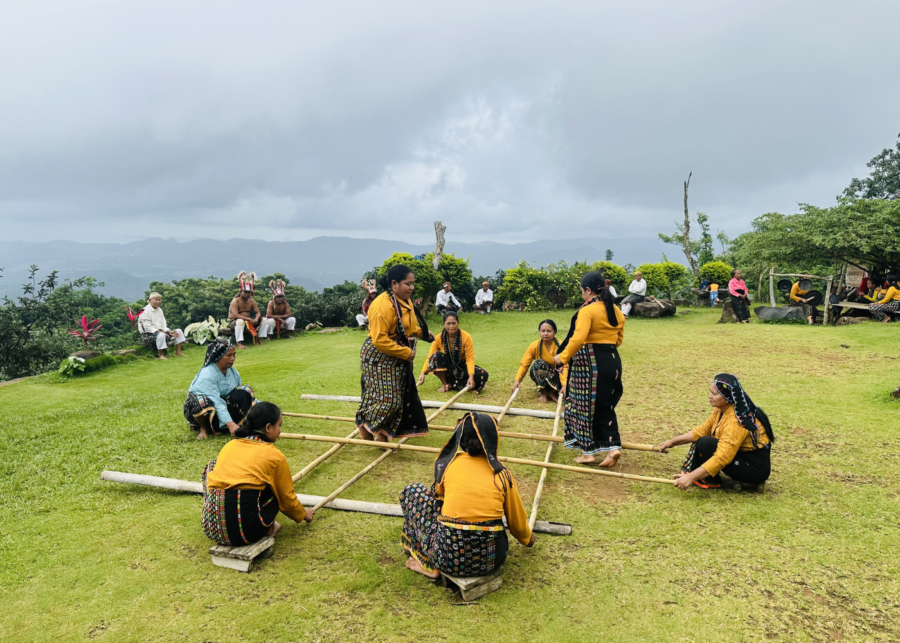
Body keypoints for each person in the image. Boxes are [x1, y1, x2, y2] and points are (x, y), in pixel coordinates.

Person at [400, 412, 535, 579]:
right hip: (491, 561)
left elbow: (438, 504)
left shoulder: (448, 465)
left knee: (412, 492)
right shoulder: (501, 474)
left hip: (447, 559)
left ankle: (428, 563)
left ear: (461, 438)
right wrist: (528, 539)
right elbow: (517, 524)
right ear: (493, 439)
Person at [202, 402, 314, 546]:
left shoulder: (230, 445)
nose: (280, 430)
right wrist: (303, 514)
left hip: (212, 530)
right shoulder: (273, 455)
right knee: (276, 490)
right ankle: (268, 529)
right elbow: (286, 497)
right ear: (268, 427)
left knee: (212, 466)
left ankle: (214, 517)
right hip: (245, 534)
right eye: (279, 425)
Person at [553, 271, 625, 466]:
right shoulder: (616, 310)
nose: (582, 295)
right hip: (612, 361)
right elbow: (618, 339)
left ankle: (588, 453)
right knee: (605, 406)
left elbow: (578, 338)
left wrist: (562, 357)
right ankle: (613, 449)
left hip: (590, 365)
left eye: (582, 291)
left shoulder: (587, 311)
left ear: (587, 290)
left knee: (582, 406)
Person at [356, 264, 434, 442]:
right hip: (378, 356)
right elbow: (380, 339)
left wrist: (422, 334)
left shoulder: (404, 301)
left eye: (413, 284)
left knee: (398, 397)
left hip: (397, 356)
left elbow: (408, 326)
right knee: (388, 400)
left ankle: (382, 435)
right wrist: (405, 353)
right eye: (408, 284)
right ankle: (363, 424)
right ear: (394, 284)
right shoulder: (381, 306)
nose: (412, 288)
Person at [655, 374, 774, 490]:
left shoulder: (736, 421)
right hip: (740, 456)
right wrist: (672, 442)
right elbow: (702, 431)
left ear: (727, 399)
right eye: (710, 392)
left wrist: (690, 477)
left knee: (706, 443)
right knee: (704, 442)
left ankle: (707, 478)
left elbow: (722, 457)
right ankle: (706, 478)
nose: (709, 396)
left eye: (714, 394)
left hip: (753, 468)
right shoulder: (720, 410)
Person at [183, 339, 256, 440]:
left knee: (245, 390)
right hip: (204, 408)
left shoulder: (232, 371)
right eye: (229, 355)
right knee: (201, 401)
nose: (233, 358)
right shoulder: (207, 374)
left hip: (224, 405)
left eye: (234, 355)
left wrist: (264, 408)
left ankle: (238, 424)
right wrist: (231, 425)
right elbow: (216, 401)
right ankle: (204, 428)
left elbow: (238, 393)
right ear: (218, 357)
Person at [418, 312, 489, 394]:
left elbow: (470, 359)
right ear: (443, 324)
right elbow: (429, 356)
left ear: (458, 323)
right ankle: (445, 384)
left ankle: (452, 385)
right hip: (448, 369)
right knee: (436, 356)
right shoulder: (438, 338)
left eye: (453, 323)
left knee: (483, 374)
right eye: (448, 323)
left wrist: (471, 376)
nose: (451, 326)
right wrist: (423, 373)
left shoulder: (466, 337)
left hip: (462, 367)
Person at [513, 319, 568, 403]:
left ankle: (553, 391)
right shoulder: (534, 345)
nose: (545, 334)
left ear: (554, 332)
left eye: (549, 331)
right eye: (543, 331)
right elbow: (524, 364)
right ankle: (544, 393)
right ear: (539, 332)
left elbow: (564, 367)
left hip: (559, 375)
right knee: (538, 364)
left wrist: (564, 384)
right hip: (543, 374)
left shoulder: (561, 346)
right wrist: (517, 380)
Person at [138, 292, 186, 359]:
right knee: (161, 335)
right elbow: (147, 328)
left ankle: (178, 352)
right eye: (156, 300)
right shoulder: (144, 311)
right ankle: (160, 354)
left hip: (161, 332)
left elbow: (163, 325)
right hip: (148, 335)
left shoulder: (159, 310)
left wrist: (169, 331)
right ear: (149, 300)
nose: (158, 301)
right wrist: (162, 332)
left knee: (178, 331)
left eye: (159, 300)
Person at [228, 272, 262, 348]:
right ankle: (239, 342)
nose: (247, 294)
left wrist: (256, 319)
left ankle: (259, 339)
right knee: (240, 321)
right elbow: (235, 315)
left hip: (248, 321)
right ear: (241, 292)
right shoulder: (235, 301)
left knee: (265, 320)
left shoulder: (252, 301)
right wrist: (249, 319)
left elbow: (258, 312)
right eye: (245, 292)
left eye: (248, 292)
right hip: (234, 322)